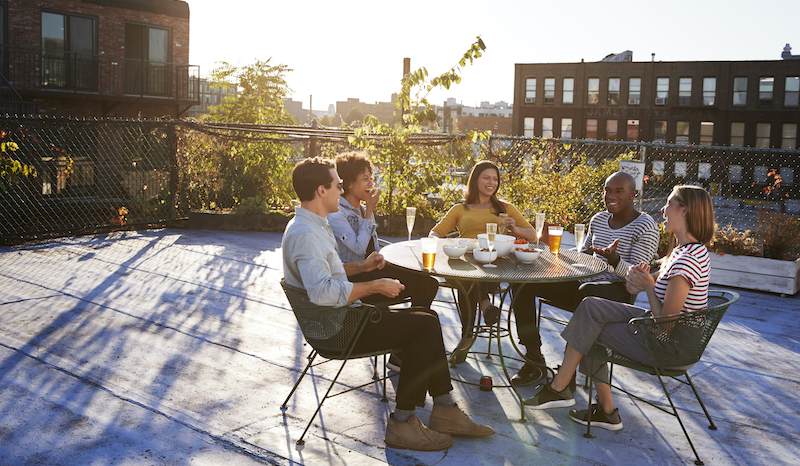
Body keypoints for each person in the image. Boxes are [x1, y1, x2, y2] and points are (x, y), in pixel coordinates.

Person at [282, 157, 494, 451]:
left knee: (425, 319)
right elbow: (322, 292)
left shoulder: (310, 224)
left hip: (336, 319)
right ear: (321, 190)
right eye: (338, 185)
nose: (341, 191)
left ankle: (444, 410)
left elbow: (327, 273)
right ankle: (404, 423)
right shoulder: (307, 234)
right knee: (425, 325)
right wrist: (376, 285)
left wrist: (363, 267)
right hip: (337, 328)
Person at [523, 184, 714, 432]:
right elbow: (646, 285)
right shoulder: (685, 251)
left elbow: (666, 324)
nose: (664, 209)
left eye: (669, 204)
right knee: (591, 307)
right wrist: (638, 278)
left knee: (590, 329)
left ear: (685, 211)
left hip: (670, 347)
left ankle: (565, 389)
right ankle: (584, 399)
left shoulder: (686, 262)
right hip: (669, 334)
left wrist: (646, 287)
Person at [509, 172, 660, 387]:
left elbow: (637, 279)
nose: (611, 196)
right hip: (585, 283)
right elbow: (584, 255)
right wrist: (547, 253)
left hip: (617, 290)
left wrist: (615, 260)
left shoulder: (645, 226)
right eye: (607, 191)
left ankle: (567, 371)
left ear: (633, 194)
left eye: (619, 191)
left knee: (586, 292)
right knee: (524, 281)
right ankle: (534, 359)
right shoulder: (598, 219)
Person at [327, 151, 440, 372]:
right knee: (423, 284)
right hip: (355, 277)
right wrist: (369, 211)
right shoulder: (337, 213)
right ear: (349, 183)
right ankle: (406, 344)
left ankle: (401, 350)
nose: (371, 183)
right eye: (365, 179)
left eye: (372, 178)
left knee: (428, 282)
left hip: (372, 268)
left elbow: (372, 246)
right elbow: (359, 249)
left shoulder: (361, 207)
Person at [429, 160, 537, 363]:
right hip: (466, 262)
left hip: (495, 265)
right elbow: (435, 232)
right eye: (486, 177)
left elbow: (532, 235)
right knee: (465, 274)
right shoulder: (459, 209)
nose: (491, 182)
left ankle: (467, 336)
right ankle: (485, 306)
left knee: (470, 275)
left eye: (495, 179)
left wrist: (514, 229)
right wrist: (439, 243)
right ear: (475, 179)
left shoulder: (505, 208)